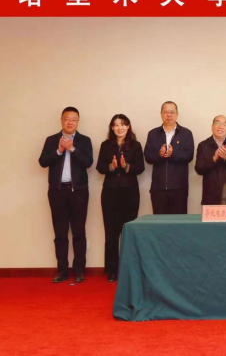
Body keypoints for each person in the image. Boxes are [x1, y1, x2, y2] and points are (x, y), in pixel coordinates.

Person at [38, 107, 93, 283]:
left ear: (78, 122)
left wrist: (72, 149)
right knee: (60, 233)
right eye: (67, 119)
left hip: (79, 191)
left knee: (79, 232)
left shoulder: (85, 140)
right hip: (57, 191)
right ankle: (62, 271)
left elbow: (88, 162)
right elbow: (43, 162)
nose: (70, 122)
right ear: (61, 120)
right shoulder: (51, 140)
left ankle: (79, 271)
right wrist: (59, 151)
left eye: (74, 119)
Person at [96, 114, 145, 282]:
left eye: (123, 124)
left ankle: (129, 269)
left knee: (128, 232)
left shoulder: (136, 145)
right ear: (112, 128)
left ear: (128, 126)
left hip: (130, 193)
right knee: (111, 233)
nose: (120, 128)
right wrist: (111, 166)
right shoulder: (106, 145)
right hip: (110, 193)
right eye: (116, 125)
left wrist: (126, 166)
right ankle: (112, 270)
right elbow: (100, 167)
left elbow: (140, 167)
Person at [144, 101, 194, 214]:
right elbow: (147, 157)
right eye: (166, 112)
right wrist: (159, 155)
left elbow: (189, 156)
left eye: (172, 112)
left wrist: (173, 154)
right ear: (161, 114)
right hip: (158, 188)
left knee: (179, 222)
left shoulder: (186, 133)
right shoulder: (153, 134)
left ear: (177, 114)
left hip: (179, 188)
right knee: (159, 222)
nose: (169, 115)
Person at [195, 115, 226, 205]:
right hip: (210, 195)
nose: (220, 126)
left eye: (224, 124)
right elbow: (199, 169)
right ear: (212, 127)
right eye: (217, 123)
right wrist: (214, 158)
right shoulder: (203, 145)